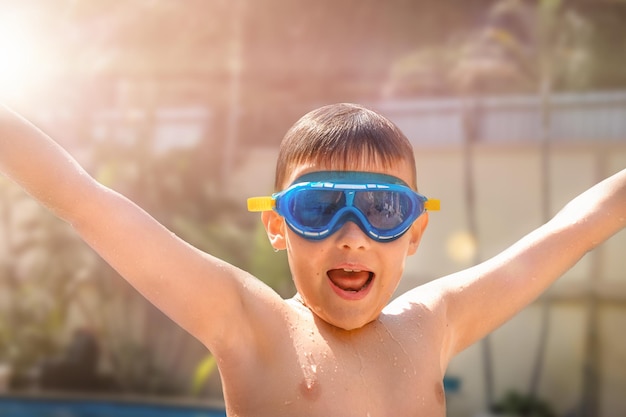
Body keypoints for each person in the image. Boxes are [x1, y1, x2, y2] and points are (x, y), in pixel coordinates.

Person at [0, 102, 624, 417]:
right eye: (319, 207)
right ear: (277, 224)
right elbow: (85, 202)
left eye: (381, 210)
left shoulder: (434, 323)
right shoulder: (253, 325)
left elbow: (575, 228)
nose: (351, 235)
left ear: (413, 232)